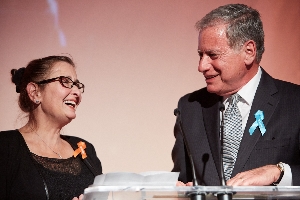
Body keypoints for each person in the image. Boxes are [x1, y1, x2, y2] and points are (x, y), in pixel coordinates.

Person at [172, 4, 300, 187]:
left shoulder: (295, 103)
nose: (202, 66)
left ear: (248, 52)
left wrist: (278, 172)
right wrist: (180, 190)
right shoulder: (190, 107)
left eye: (212, 55)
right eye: (201, 55)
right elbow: (182, 178)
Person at [0, 55, 102, 199]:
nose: (77, 93)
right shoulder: (5, 147)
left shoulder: (86, 150)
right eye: (65, 82)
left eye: (77, 85)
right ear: (35, 92)